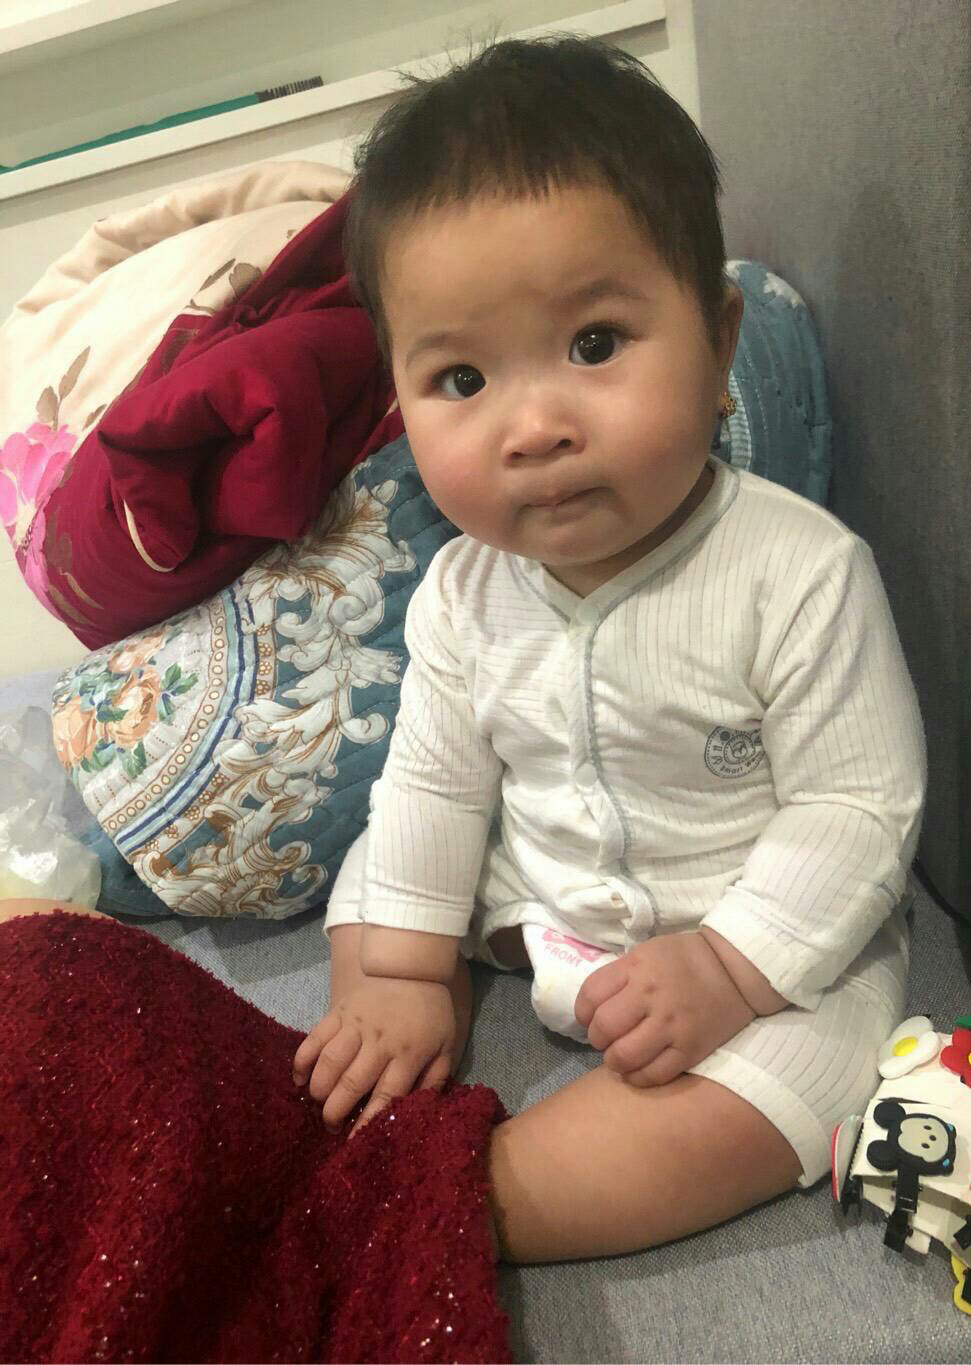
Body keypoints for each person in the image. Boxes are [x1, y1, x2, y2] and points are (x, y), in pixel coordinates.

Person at [290, 34, 927, 1265]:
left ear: (719, 342)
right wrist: (403, 971)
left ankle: (470, 1202)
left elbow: (858, 805)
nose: (533, 427)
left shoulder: (798, 572)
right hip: (532, 902)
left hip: (749, 934)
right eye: (461, 377)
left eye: (593, 346)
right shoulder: (462, 594)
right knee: (385, 866)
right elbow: (436, 785)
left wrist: (730, 967)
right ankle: (394, 1023)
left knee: (807, 1071)